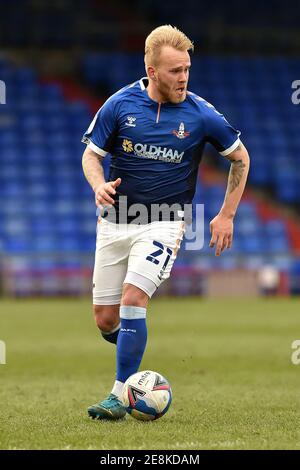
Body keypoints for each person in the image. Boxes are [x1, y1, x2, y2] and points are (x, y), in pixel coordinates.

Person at [81, 25, 250, 420]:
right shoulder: (120, 105)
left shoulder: (200, 113)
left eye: (187, 68)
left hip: (164, 221)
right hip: (114, 222)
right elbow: (92, 155)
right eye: (175, 71)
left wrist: (226, 215)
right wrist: (98, 184)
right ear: (152, 71)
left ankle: (119, 395)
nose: (184, 78)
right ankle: (131, 346)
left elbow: (240, 157)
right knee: (107, 319)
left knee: (133, 300)